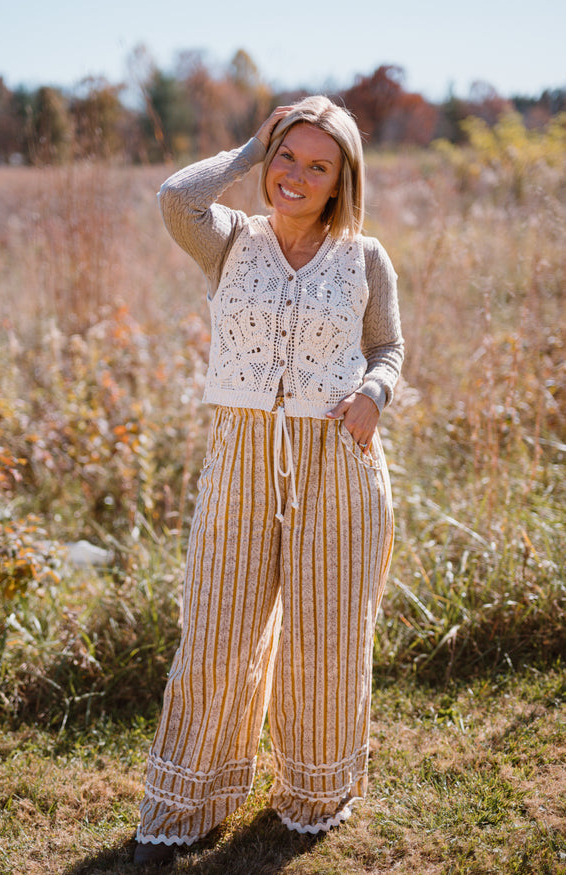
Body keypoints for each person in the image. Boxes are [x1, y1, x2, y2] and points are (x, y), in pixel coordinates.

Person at [133, 95, 404, 867]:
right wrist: (252, 146)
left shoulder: (364, 257)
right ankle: (190, 800)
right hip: (242, 459)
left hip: (338, 460)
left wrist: (374, 393)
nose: (297, 175)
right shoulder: (228, 239)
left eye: (318, 166)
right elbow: (175, 196)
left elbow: (387, 347)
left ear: (341, 180)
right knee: (215, 633)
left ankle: (314, 795)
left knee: (326, 640)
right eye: (288, 156)